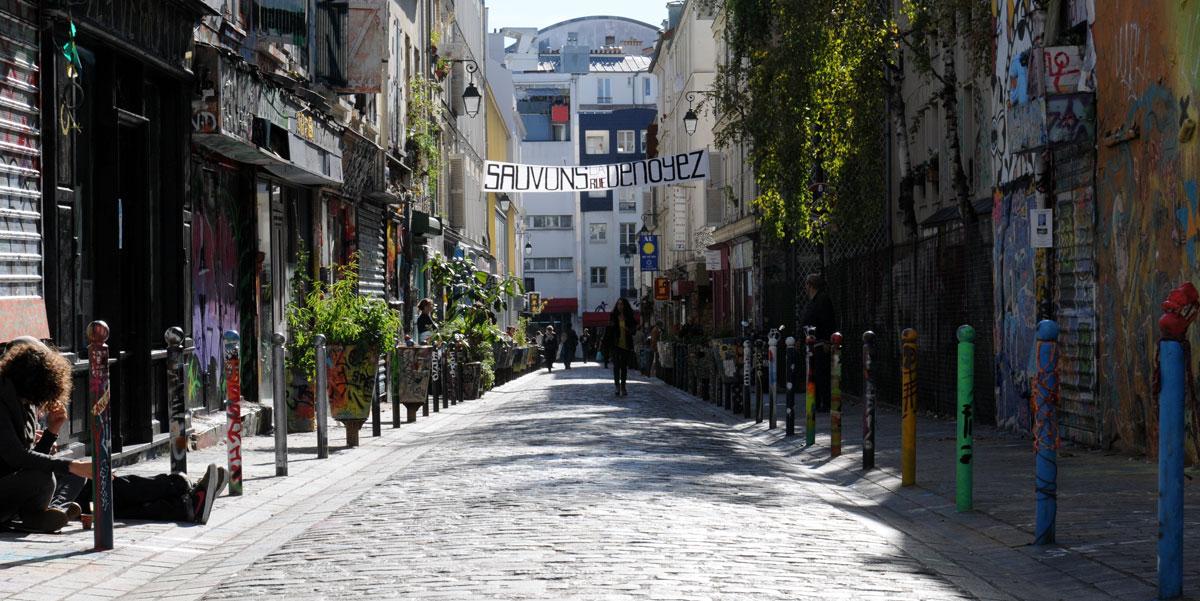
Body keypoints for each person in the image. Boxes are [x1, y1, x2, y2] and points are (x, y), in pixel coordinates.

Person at [0, 337, 92, 532]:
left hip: (14, 483)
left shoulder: (27, 401)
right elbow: (16, 457)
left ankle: (49, 512)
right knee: (49, 475)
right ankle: (41, 513)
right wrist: (71, 466)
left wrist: (52, 430)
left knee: (76, 476)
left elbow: (31, 460)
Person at [801, 273, 837, 411]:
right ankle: (816, 401)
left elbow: (828, 321)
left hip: (821, 343)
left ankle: (825, 403)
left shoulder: (822, 300)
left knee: (822, 374)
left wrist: (828, 341)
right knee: (814, 373)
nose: (805, 287)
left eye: (806, 284)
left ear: (810, 285)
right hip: (812, 344)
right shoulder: (813, 301)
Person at [603, 298, 638, 397]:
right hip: (615, 344)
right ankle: (617, 386)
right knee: (616, 366)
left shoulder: (629, 317)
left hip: (626, 345)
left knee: (623, 367)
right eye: (618, 304)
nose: (620, 306)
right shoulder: (613, 316)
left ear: (625, 305)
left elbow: (634, 330)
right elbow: (609, 330)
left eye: (622, 304)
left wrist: (629, 329)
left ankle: (623, 386)